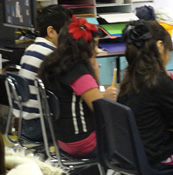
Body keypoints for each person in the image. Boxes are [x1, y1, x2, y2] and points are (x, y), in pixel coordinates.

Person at [118, 20, 173, 170]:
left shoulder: (130, 77)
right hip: (155, 156)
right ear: (160, 47)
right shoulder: (158, 80)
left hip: (132, 154)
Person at [38, 15, 117, 158]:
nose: (97, 51)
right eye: (95, 45)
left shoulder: (53, 63)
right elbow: (101, 109)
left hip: (63, 139)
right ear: (84, 47)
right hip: (84, 142)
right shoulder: (78, 72)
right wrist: (95, 72)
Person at [15, 5, 72, 142]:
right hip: (40, 126)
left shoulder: (31, 48)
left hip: (24, 123)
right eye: (67, 31)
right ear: (51, 31)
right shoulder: (51, 55)